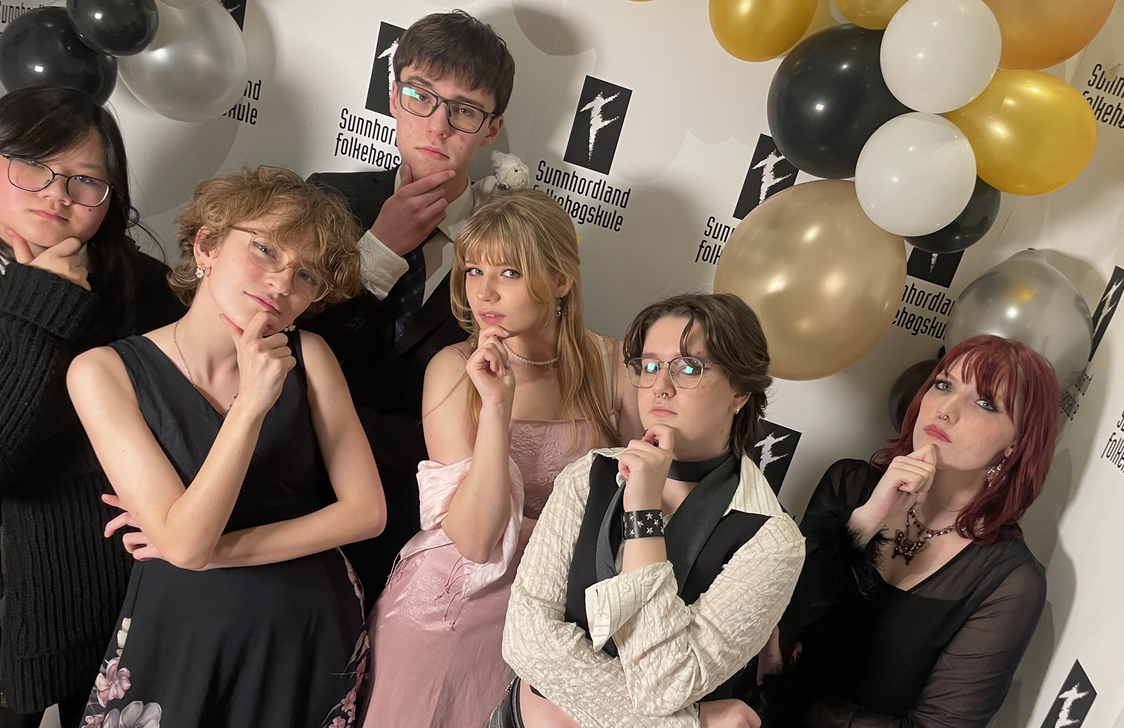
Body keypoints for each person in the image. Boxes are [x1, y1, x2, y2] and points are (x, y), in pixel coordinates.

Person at [68, 166, 385, 727]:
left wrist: (220, 549)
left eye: (307, 275)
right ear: (207, 246)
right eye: (264, 249)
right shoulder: (103, 372)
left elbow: (366, 513)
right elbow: (186, 546)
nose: (283, 284)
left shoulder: (310, 356)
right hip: (184, 633)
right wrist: (250, 406)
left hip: (307, 635)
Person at [361, 188, 641, 728]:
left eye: (509, 273)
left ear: (561, 279)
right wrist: (496, 407)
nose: (482, 293)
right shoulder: (454, 367)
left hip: (557, 626)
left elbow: (636, 514)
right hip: (451, 612)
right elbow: (474, 537)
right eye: (472, 271)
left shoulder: (614, 368)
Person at [497, 293, 805, 728]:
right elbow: (525, 640)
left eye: (689, 367)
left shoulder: (772, 541)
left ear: (740, 391)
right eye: (649, 365)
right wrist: (687, 724)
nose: (661, 384)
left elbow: (665, 683)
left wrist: (642, 512)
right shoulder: (591, 473)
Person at [304, 10, 517, 608]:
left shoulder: (511, 246)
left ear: (491, 127)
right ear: (394, 96)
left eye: (464, 110)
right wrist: (377, 252)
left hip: (420, 525)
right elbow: (284, 344)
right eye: (420, 96)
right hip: (295, 484)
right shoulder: (328, 198)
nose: (438, 125)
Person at [757, 335, 1059, 728]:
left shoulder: (1008, 581)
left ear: (1015, 444)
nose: (946, 410)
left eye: (985, 403)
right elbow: (777, 620)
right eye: (944, 385)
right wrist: (866, 521)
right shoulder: (850, 485)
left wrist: (793, 702)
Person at [0, 86, 184, 728]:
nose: (56, 194)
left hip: (110, 599)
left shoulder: (147, 288)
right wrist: (36, 302)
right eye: (33, 167)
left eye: (84, 180)